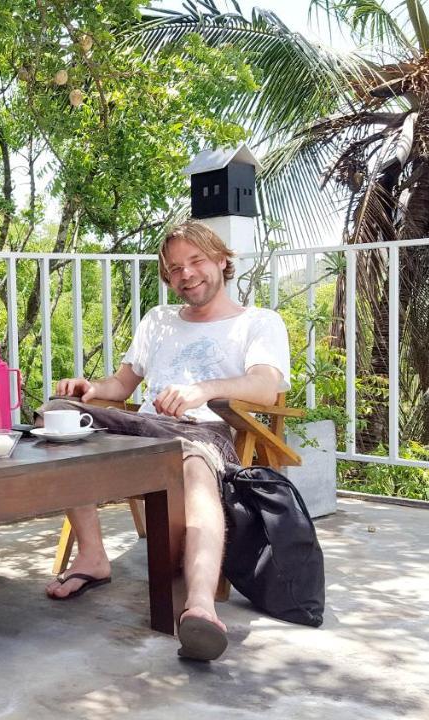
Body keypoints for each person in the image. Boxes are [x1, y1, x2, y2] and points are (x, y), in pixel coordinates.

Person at [43, 219, 290, 662]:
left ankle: (199, 606)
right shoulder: (158, 321)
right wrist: (91, 389)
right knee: (58, 417)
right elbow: (121, 385)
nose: (186, 274)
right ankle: (93, 557)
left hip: (203, 431)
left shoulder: (257, 323)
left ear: (221, 260)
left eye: (196, 261)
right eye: (175, 268)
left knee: (193, 465)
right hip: (147, 428)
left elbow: (266, 387)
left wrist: (204, 390)